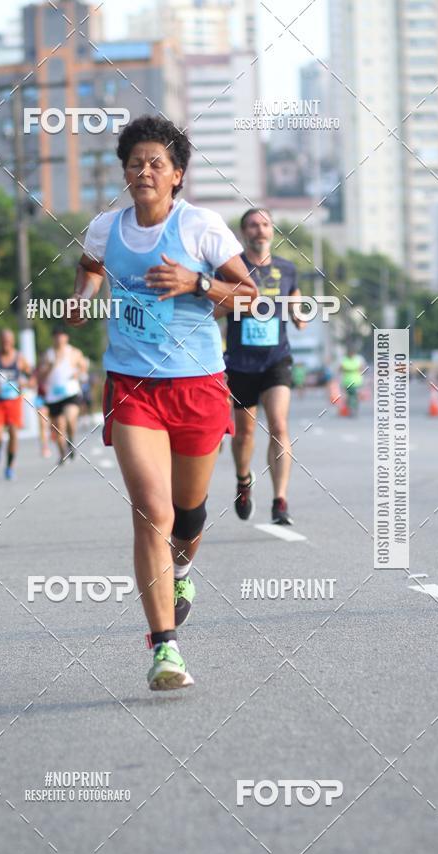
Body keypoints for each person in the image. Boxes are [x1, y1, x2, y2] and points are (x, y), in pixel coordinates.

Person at [68, 115, 257, 690]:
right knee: (153, 512)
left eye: (157, 163)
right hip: (132, 386)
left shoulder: (201, 228)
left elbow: (248, 297)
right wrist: (82, 299)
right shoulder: (106, 228)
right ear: (124, 173)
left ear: (177, 175)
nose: (144, 171)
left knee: (189, 514)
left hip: (198, 384)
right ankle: (165, 649)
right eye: (135, 163)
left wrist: (197, 284)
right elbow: (90, 269)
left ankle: (181, 569)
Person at [217, 208, 306, 525]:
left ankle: (280, 501)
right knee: (244, 434)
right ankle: (244, 481)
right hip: (241, 365)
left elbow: (295, 300)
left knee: (279, 426)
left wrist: (299, 313)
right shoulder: (230, 268)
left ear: (272, 231)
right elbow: (213, 311)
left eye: (265, 224)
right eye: (253, 225)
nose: (260, 230)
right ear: (244, 233)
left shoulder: (287, 268)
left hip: (276, 360)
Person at [38, 325, 87, 463]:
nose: (59, 339)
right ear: (53, 338)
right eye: (56, 336)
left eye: (62, 336)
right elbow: (40, 377)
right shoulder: (48, 355)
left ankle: (71, 440)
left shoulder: (74, 352)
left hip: (70, 393)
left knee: (70, 417)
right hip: (53, 397)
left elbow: (83, 367)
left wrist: (79, 373)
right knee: (59, 429)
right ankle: (63, 453)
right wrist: (50, 367)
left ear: (66, 337)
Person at [0, 329, 31, 480]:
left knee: (13, 433)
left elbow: (31, 377)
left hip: (14, 401)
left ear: (12, 342)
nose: (6, 344)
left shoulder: (20, 359)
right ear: (0, 341)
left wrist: (24, 382)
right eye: (3, 341)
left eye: (8, 341)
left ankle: (9, 467)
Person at [340, 344, 365, 415]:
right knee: (349, 396)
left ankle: (355, 409)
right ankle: (349, 409)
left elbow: (362, 368)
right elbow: (340, 368)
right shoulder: (344, 359)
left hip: (357, 382)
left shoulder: (359, 359)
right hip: (347, 381)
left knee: (355, 396)